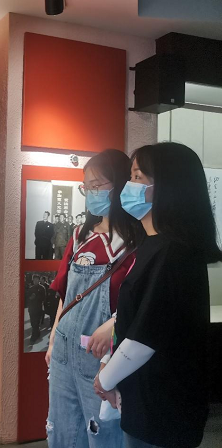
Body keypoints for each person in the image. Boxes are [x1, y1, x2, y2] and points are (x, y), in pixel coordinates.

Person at [94, 143, 219, 448]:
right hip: (142, 398)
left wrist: (104, 380)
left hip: (163, 409)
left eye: (137, 177)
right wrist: (109, 361)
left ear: (166, 188)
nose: (128, 186)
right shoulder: (153, 244)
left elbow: (145, 337)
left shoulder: (174, 253)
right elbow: (134, 314)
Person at [45, 150, 144, 448]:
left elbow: (141, 303)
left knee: (101, 434)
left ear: (119, 184)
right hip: (64, 352)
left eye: (97, 185)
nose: (91, 193)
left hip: (102, 357)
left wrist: (113, 324)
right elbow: (65, 294)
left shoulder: (136, 243)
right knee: (62, 431)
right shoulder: (80, 235)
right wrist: (53, 340)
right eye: (86, 187)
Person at [27, 274, 46, 344]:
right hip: (31, 309)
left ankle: (33, 337)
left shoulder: (42, 288)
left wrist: (36, 297)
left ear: (39, 280)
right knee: (32, 323)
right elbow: (27, 298)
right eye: (34, 280)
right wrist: (30, 298)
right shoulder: (30, 288)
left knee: (36, 323)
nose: (35, 281)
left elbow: (44, 298)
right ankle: (37, 333)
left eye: (36, 280)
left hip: (38, 308)